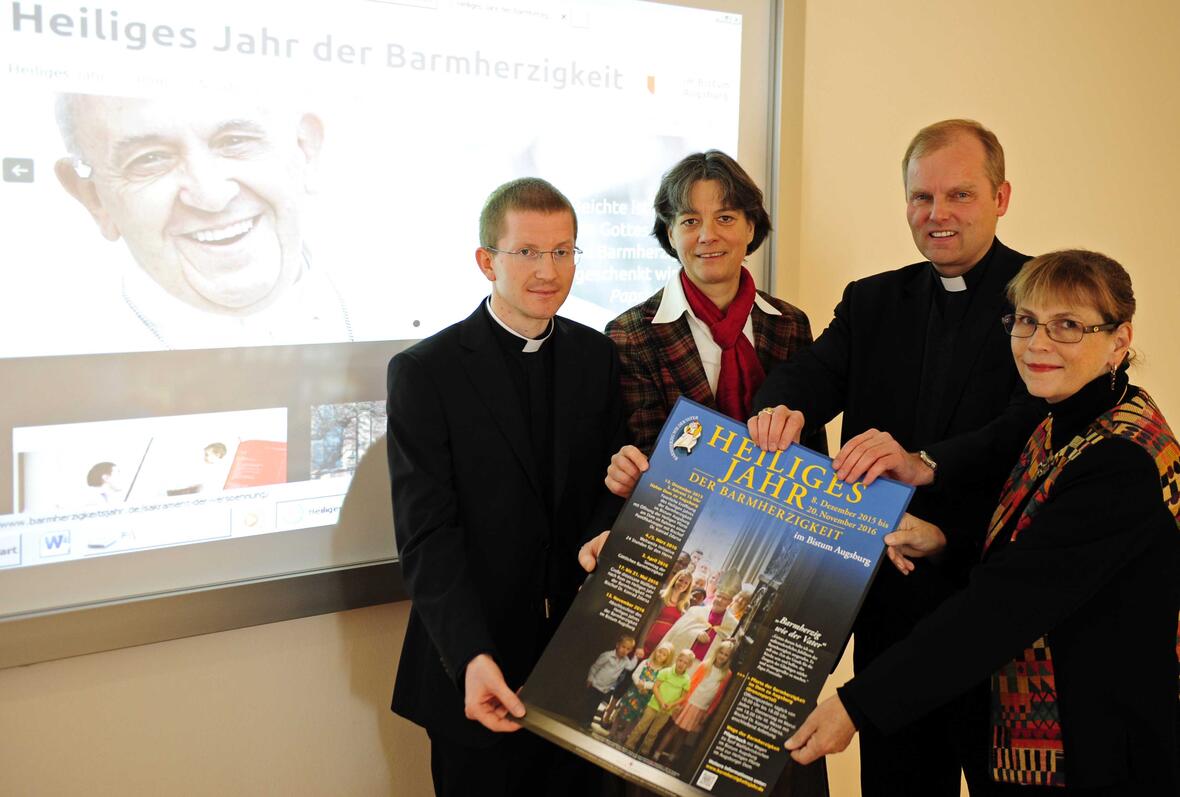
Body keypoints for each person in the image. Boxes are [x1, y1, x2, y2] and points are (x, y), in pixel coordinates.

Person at [786, 250, 1180, 795]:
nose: (1039, 343)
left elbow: (1004, 605)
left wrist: (855, 706)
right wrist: (945, 541)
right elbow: (1033, 546)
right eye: (1026, 321)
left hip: (1101, 744)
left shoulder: (1119, 460)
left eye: (1068, 326)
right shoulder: (1063, 421)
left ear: (1119, 339)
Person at [747, 119, 1045, 796]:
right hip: (891, 600)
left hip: (998, 594)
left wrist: (927, 461)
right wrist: (781, 407)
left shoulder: (1041, 297)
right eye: (921, 198)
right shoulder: (873, 299)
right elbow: (811, 374)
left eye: (959, 196)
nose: (937, 215)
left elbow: (1028, 423)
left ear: (1001, 196)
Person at [386, 177, 625, 797]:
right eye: (527, 252)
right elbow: (426, 535)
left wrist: (604, 529)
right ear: (487, 261)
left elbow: (606, 484)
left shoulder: (597, 357)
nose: (548, 270)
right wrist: (470, 655)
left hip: (582, 668)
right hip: (475, 664)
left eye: (563, 251)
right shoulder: (424, 372)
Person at [602, 149, 824, 500]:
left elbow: (811, 452)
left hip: (777, 525)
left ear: (751, 226)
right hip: (677, 525)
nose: (707, 235)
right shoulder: (629, 334)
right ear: (670, 234)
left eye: (725, 218)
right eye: (690, 221)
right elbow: (645, 457)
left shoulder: (790, 324)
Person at [53, 92, 352, 350]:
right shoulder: (59, 355)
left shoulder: (385, 311)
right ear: (94, 199)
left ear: (306, 149)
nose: (211, 195)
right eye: (150, 159)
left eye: (235, 141)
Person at [653, 638, 737, 767]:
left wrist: (708, 713)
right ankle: (658, 752)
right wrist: (682, 702)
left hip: (701, 708)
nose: (722, 656)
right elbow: (691, 685)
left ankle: (672, 756)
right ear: (717, 652)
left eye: (726, 655)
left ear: (729, 658)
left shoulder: (727, 674)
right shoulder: (705, 665)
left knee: (684, 733)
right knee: (674, 728)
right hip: (689, 702)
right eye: (721, 653)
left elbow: (718, 696)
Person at [625, 648, 696, 757]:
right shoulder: (666, 672)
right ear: (677, 659)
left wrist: (672, 705)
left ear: (689, 666)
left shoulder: (686, 679)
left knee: (653, 733)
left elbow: (683, 696)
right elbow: (655, 687)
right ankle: (629, 743)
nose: (682, 664)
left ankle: (644, 751)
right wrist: (661, 702)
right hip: (654, 705)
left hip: (667, 711)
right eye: (680, 660)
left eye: (685, 663)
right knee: (641, 726)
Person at [584, 634, 638, 728]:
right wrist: (590, 678)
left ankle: (588, 722)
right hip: (595, 684)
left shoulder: (625, 661)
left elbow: (630, 667)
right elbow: (595, 667)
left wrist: (636, 657)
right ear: (617, 645)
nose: (624, 650)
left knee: (595, 705)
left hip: (605, 688)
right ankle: (584, 720)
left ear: (630, 651)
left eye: (628, 649)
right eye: (623, 647)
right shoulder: (607, 656)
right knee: (589, 704)